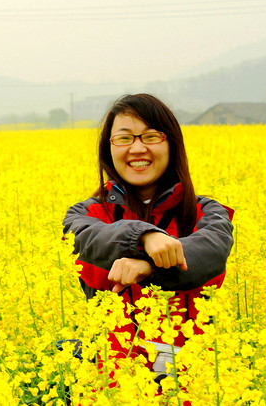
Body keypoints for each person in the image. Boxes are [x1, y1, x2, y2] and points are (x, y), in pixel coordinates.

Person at [63, 93, 234, 379]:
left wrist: (149, 266)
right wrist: (144, 236)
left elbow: (212, 253)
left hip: (192, 383)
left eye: (151, 136)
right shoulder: (85, 215)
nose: (137, 148)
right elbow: (87, 239)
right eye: (124, 138)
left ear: (172, 145)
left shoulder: (206, 212)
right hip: (109, 387)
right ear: (109, 149)